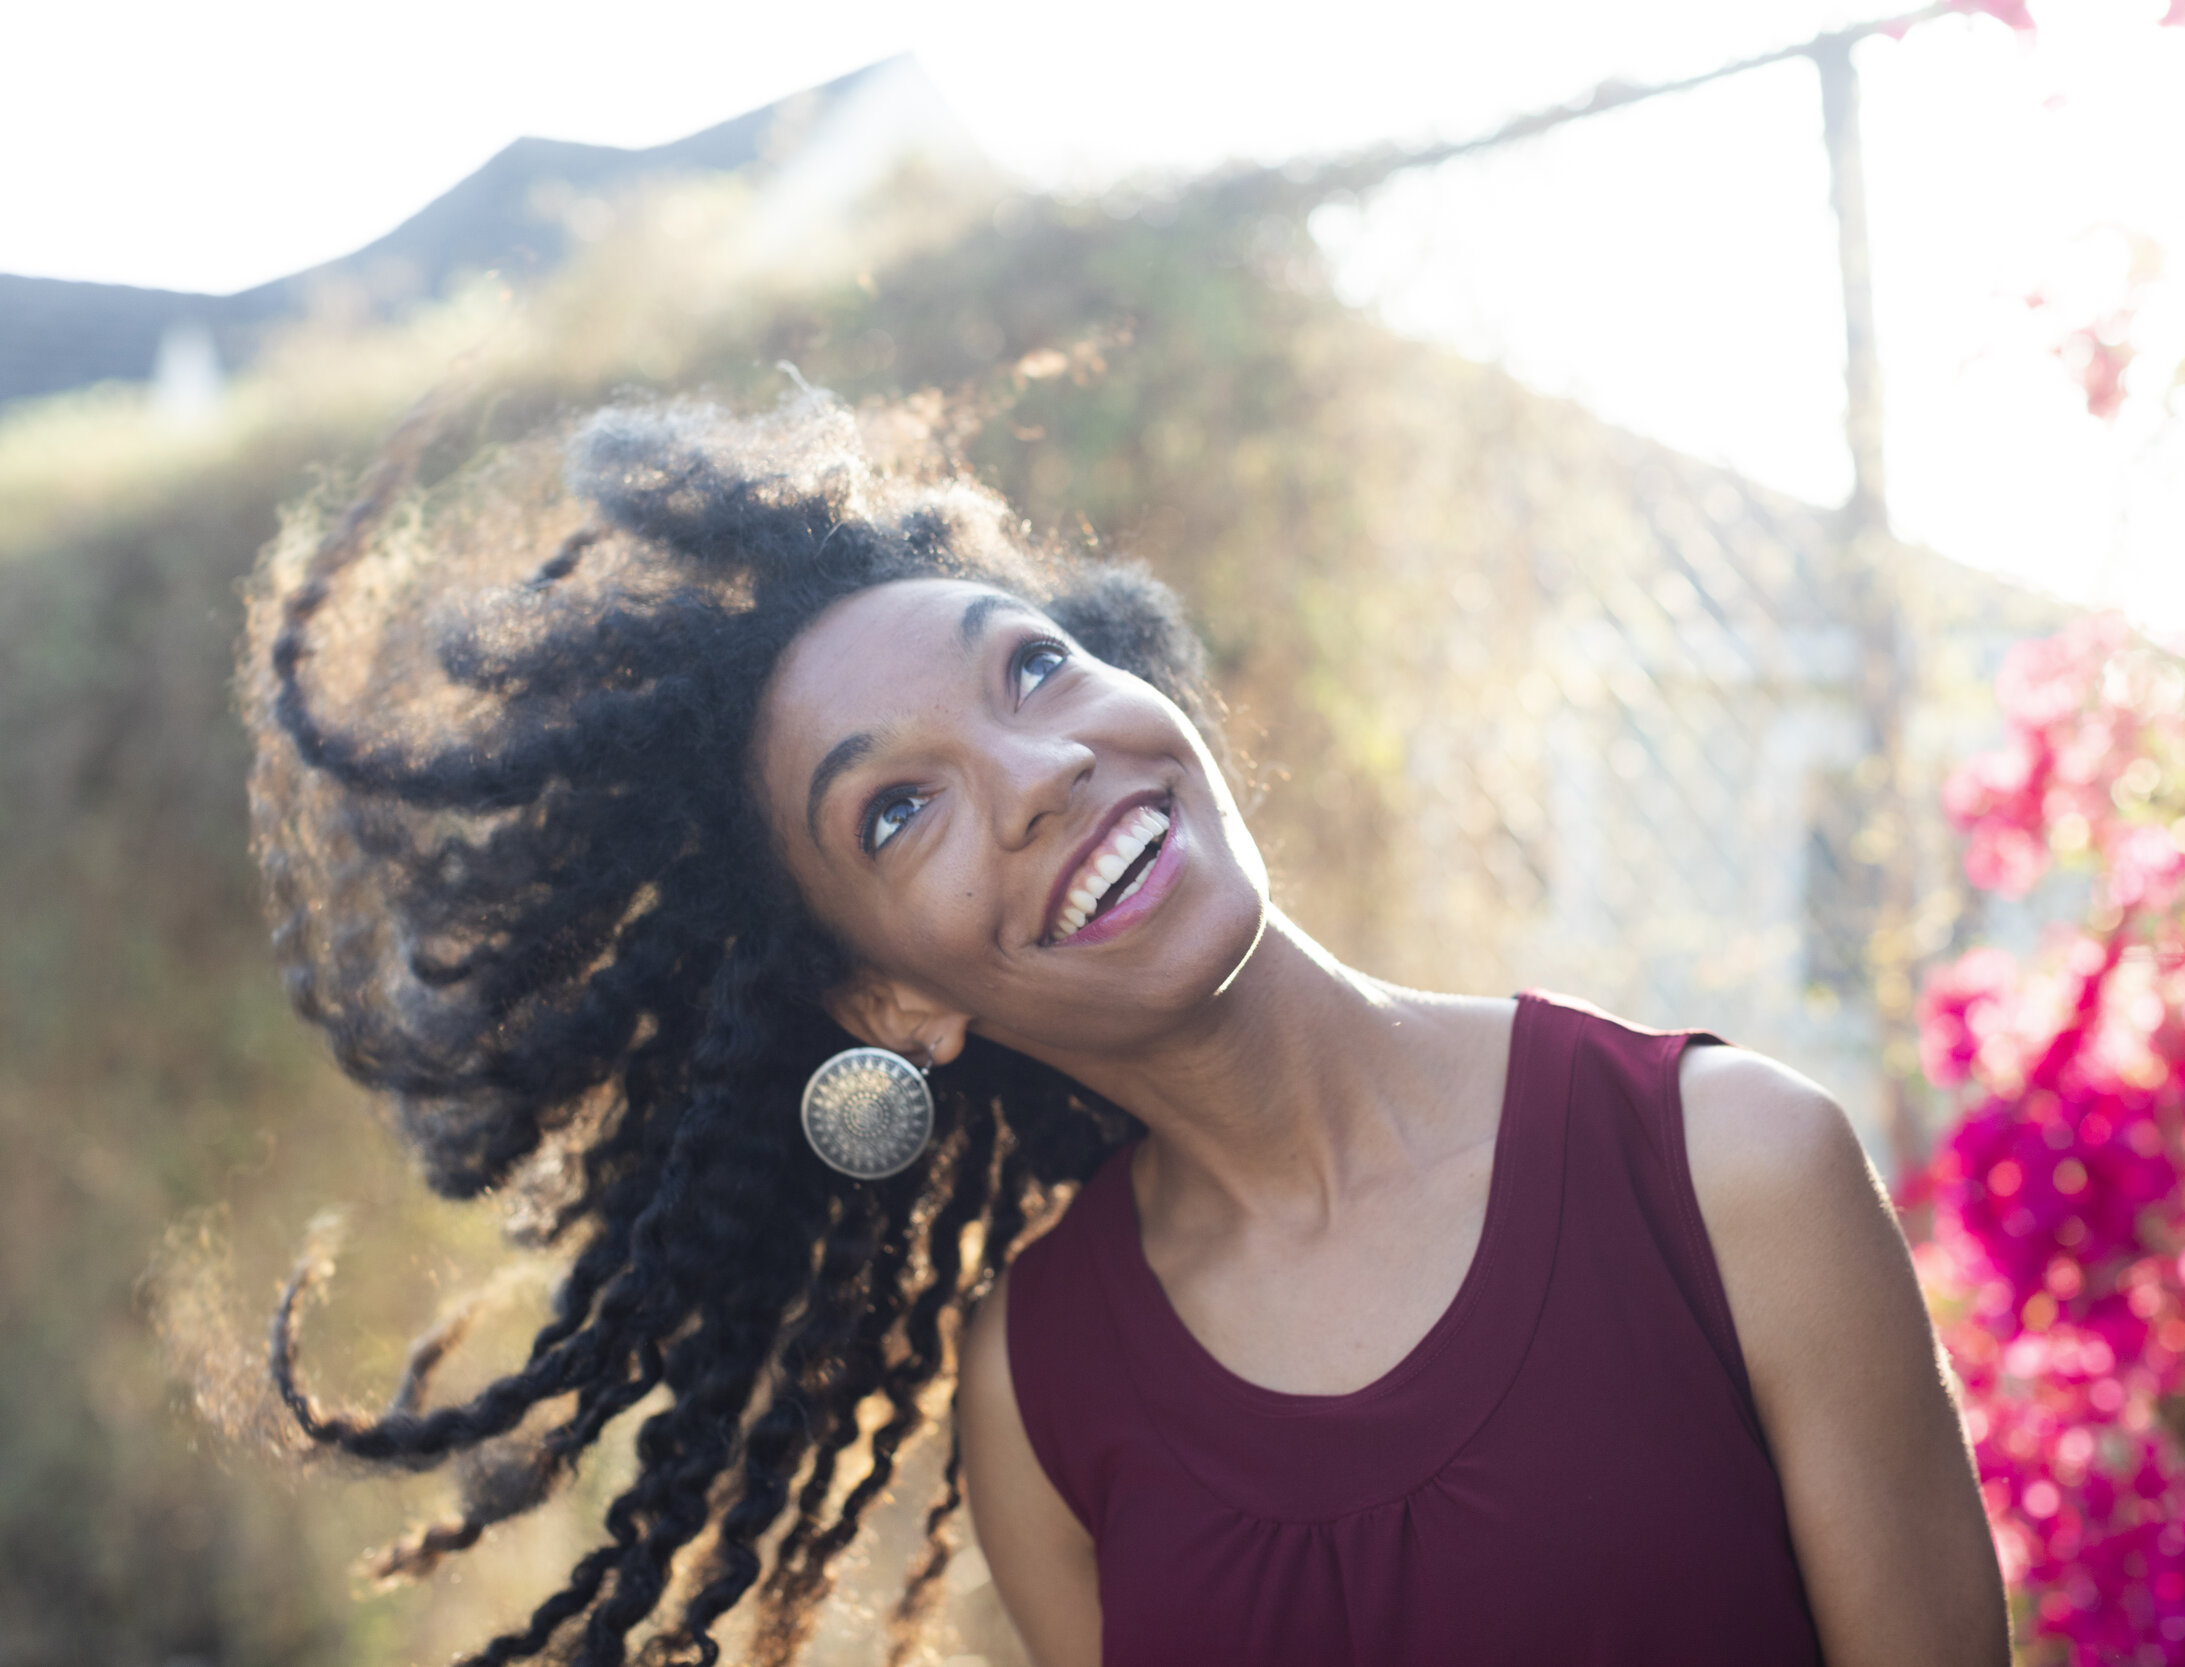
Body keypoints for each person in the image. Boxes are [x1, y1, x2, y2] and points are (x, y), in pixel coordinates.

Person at [245, 395, 2009, 1667]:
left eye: (1028, 668)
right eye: (898, 812)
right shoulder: (1040, 1397)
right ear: (888, 1002)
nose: (1038, 772)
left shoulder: (1729, 1169)